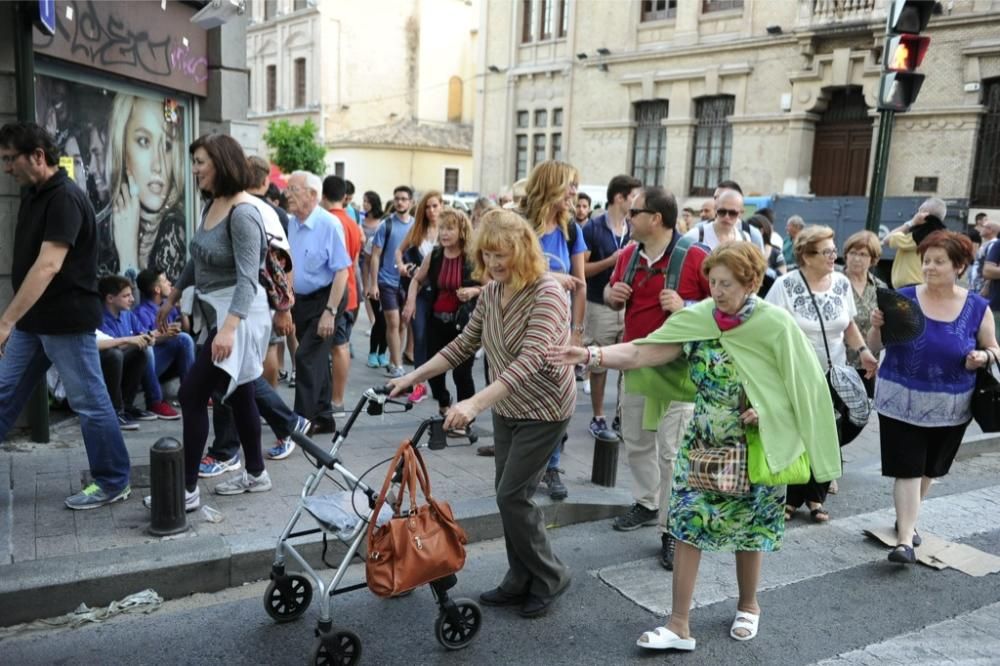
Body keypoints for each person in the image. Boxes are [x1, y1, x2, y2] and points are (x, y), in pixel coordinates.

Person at [548, 241, 839, 650]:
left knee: (749, 531)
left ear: (751, 282)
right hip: (702, 440)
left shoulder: (776, 325)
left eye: (726, 283)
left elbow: (803, 387)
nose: (716, 291)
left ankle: (749, 605)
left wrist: (768, 410)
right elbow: (641, 351)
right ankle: (678, 624)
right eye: (713, 282)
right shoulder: (700, 317)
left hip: (756, 446)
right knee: (686, 525)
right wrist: (593, 354)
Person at [389, 209, 574, 618]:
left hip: (545, 408)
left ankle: (551, 575)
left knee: (513, 495)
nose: (492, 263)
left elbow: (529, 361)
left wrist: (473, 403)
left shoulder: (547, 293)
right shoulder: (492, 292)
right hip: (506, 405)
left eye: (501, 255)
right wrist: (412, 377)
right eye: (487, 255)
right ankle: (519, 577)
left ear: (523, 250)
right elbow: (462, 346)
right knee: (509, 496)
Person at [0, 122, 132, 509]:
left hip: (65, 322)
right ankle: (112, 478)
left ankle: (112, 480)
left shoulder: (65, 198)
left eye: (11, 159)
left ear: (38, 156)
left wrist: (5, 321)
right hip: (34, 323)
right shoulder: (32, 193)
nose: (6, 168)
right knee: (5, 394)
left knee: (90, 402)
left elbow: (48, 265)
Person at [156, 133, 273, 507]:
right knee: (240, 395)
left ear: (221, 163)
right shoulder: (213, 204)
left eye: (201, 162)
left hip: (238, 314)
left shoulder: (243, 213)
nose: (195, 169)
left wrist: (229, 329)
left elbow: (248, 278)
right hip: (219, 311)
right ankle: (256, 474)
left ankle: (186, 491)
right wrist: (173, 296)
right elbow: (198, 257)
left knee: (192, 394)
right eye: (194, 162)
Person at [868, 231, 999, 564]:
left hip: (952, 406)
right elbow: (875, 348)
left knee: (929, 469)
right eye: (926, 261)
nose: (929, 267)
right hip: (900, 401)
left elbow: (993, 348)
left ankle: (906, 520)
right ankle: (904, 541)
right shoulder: (903, 298)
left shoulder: (976, 307)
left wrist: (982, 358)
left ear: (959, 266)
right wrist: (875, 326)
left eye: (939, 262)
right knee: (908, 469)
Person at [605, 186, 708, 570]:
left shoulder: (696, 257)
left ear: (656, 219)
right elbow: (610, 294)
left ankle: (671, 529)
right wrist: (613, 294)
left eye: (634, 212)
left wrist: (689, 306)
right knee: (635, 441)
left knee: (672, 452)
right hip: (636, 363)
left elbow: (725, 308)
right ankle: (647, 504)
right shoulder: (629, 255)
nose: (627, 216)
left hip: (679, 371)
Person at [766, 225, 878, 523]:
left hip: (834, 374)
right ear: (806, 255)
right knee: (799, 435)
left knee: (828, 435)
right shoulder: (785, 285)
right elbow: (769, 331)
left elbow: (849, 325)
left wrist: (864, 351)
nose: (834, 256)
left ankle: (816, 497)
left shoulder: (840, 284)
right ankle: (791, 498)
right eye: (827, 251)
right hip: (796, 375)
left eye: (833, 250)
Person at [524, 160, 587, 501]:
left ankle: (552, 464)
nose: (574, 193)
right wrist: (548, 278)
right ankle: (524, 466)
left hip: (560, 331)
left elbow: (579, 284)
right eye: (569, 186)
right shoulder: (520, 225)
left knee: (560, 401)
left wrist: (577, 332)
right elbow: (499, 276)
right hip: (520, 328)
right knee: (524, 399)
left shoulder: (571, 230)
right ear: (550, 186)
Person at [402, 208, 481, 432]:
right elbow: (416, 280)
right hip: (437, 320)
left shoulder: (472, 258)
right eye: (442, 228)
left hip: (463, 324)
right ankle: (445, 404)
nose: (444, 233)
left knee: (462, 372)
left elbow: (490, 286)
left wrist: (474, 291)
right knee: (433, 369)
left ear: (461, 231)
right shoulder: (435, 255)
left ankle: (465, 416)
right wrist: (410, 301)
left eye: (450, 228)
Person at [285, 170, 352, 435]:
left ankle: (301, 421)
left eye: (293, 189)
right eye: (288, 189)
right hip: (301, 301)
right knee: (318, 360)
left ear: (313, 195)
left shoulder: (329, 224)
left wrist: (330, 312)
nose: (287, 194)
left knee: (305, 357)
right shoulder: (292, 222)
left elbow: (342, 272)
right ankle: (324, 418)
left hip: (327, 298)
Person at [582, 174, 641, 441]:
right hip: (598, 304)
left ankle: (621, 414)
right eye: (634, 197)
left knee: (627, 363)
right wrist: (612, 260)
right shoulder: (593, 228)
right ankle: (598, 416)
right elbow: (581, 269)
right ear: (620, 198)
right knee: (599, 363)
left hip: (627, 306)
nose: (637, 202)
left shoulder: (634, 228)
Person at [108, 94, 186, 279]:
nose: (157, 165)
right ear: (123, 150)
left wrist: (128, 253)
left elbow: (153, 308)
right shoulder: (113, 221)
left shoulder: (174, 230)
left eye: (167, 145)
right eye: (144, 141)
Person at [98, 274, 182, 421]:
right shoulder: (100, 319)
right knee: (119, 354)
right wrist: (139, 340)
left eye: (131, 294)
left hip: (127, 370)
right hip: (107, 374)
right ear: (110, 299)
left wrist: (157, 335)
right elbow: (111, 345)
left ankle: (128, 407)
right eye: (126, 296)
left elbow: (142, 336)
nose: (132, 299)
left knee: (148, 348)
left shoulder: (127, 315)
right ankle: (119, 410)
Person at [396, 190, 443, 403]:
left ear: (442, 206)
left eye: (435, 206)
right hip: (420, 291)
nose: (432, 210)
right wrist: (402, 266)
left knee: (437, 338)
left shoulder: (447, 229)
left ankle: (435, 382)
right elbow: (399, 250)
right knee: (420, 333)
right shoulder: (418, 230)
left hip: (442, 292)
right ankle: (419, 384)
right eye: (428, 206)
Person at [322, 175, 362, 418]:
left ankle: (336, 401)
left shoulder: (329, 221)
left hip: (335, 296)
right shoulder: (352, 222)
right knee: (341, 345)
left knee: (338, 346)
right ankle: (336, 398)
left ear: (324, 196)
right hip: (351, 292)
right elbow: (355, 262)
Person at [369, 185, 415, 378]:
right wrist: (373, 284)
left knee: (403, 324)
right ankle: (397, 365)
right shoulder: (386, 225)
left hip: (408, 282)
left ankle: (392, 359)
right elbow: (375, 255)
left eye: (404, 199)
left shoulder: (416, 226)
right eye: (397, 198)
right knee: (393, 322)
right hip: (387, 281)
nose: (399, 202)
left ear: (411, 203)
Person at [841, 231, 886, 397]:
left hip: (866, 366)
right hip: (837, 364)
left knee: (861, 417)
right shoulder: (834, 282)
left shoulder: (879, 288)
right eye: (852, 253)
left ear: (873, 259)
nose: (856, 258)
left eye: (863, 254)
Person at [885, 197, 948, 288]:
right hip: (925, 286)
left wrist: (912, 222)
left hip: (910, 287)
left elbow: (887, 239)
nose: (916, 213)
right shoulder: (941, 235)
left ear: (924, 214)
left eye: (919, 211)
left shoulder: (917, 236)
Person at [361, 191, 388, 367]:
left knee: (387, 320)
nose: (364, 204)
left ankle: (382, 353)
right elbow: (368, 261)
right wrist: (369, 282)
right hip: (375, 277)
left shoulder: (384, 226)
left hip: (390, 281)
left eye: (367, 201)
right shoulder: (374, 239)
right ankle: (373, 353)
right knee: (380, 319)